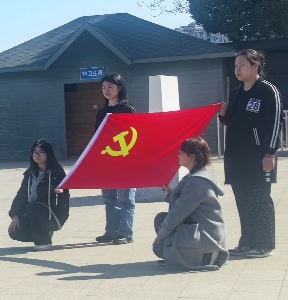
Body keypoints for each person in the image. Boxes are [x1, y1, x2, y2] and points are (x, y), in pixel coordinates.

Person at [219, 49, 281, 258]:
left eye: (242, 65)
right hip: (237, 158)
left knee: (259, 201)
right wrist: (224, 116)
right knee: (243, 201)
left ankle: (263, 245)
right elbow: (233, 122)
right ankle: (246, 243)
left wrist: (269, 153)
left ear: (256, 66)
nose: (237, 70)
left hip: (259, 158)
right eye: (236, 66)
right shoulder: (236, 93)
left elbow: (275, 124)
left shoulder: (268, 91)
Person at [153, 138, 228, 270]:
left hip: (207, 240)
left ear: (192, 156)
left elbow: (178, 212)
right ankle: (188, 254)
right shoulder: (200, 174)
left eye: (182, 152)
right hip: (207, 234)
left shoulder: (196, 182)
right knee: (161, 220)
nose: (178, 155)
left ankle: (203, 257)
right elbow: (186, 202)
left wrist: (161, 235)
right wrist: (170, 194)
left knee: (162, 236)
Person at [94, 74, 136, 245]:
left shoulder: (128, 109)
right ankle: (111, 232)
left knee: (125, 199)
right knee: (109, 199)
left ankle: (125, 233)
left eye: (110, 86)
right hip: (107, 162)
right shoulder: (102, 113)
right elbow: (97, 139)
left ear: (119, 88)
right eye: (103, 87)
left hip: (125, 162)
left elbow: (135, 134)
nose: (106, 90)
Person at [7, 140, 70, 249]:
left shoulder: (56, 173)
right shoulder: (30, 174)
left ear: (48, 154)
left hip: (53, 214)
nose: (37, 155)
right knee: (15, 231)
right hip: (33, 213)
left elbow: (63, 193)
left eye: (41, 152)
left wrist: (59, 192)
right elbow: (21, 195)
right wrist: (15, 215)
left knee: (33, 206)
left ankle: (44, 242)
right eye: (34, 152)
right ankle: (43, 233)